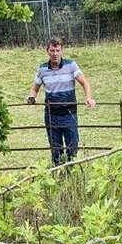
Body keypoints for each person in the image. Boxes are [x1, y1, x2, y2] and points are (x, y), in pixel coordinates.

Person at [26, 37, 96, 165]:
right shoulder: (42, 69)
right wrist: (32, 97)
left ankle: (71, 176)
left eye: (57, 50)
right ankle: (57, 177)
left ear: (62, 51)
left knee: (72, 148)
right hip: (51, 116)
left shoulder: (71, 65)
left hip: (69, 114)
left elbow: (85, 83)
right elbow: (34, 89)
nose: (55, 54)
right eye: (52, 50)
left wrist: (89, 98)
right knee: (56, 150)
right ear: (47, 51)